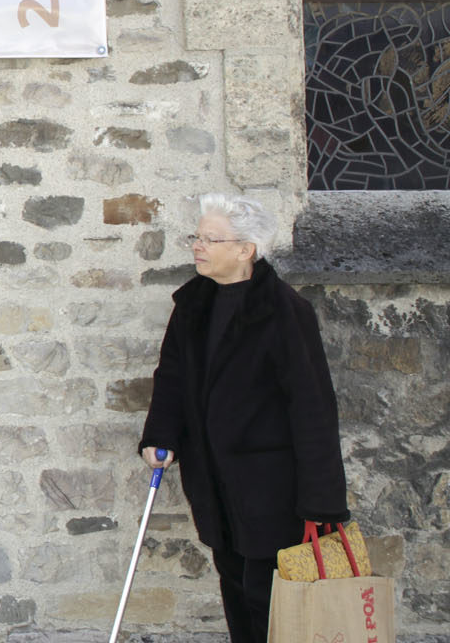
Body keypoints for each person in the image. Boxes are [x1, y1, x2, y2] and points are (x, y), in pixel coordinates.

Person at [138, 193, 348, 643]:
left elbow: (312, 408)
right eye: (196, 236)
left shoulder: (285, 312)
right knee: (234, 583)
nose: (197, 245)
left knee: (267, 593)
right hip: (214, 479)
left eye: (210, 238)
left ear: (245, 249)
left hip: (272, 485)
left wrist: (323, 503)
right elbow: (172, 376)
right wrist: (160, 435)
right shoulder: (194, 304)